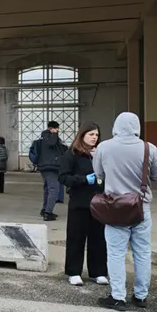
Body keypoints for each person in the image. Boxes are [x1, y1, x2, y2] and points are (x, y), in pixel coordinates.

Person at [93, 112, 157, 311]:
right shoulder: (148, 148)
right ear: (137, 127)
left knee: (116, 253)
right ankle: (141, 296)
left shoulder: (104, 147)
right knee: (142, 252)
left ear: (115, 126)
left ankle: (118, 297)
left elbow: (99, 174)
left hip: (115, 207)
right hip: (140, 207)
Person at [58, 122, 107, 287]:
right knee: (76, 238)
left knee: (98, 238)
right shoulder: (72, 154)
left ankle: (98, 272)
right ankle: (73, 272)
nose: (94, 138)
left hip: (99, 202)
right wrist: (83, 179)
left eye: (96, 135)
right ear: (83, 135)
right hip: (79, 202)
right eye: (91, 134)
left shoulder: (101, 154)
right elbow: (63, 177)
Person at [37, 121, 67, 221]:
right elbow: (52, 143)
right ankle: (47, 213)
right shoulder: (48, 137)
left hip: (47, 166)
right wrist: (54, 133)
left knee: (47, 189)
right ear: (53, 128)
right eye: (57, 129)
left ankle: (45, 209)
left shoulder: (46, 137)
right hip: (50, 167)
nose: (58, 131)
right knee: (54, 190)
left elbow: (59, 148)